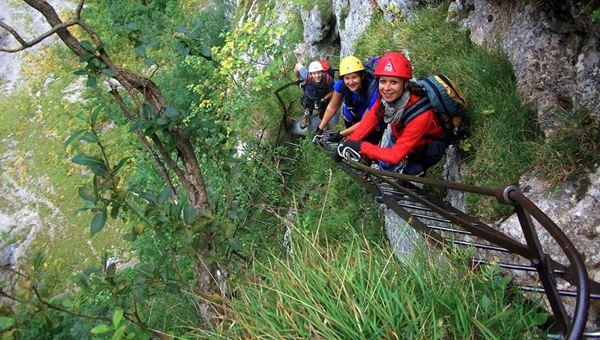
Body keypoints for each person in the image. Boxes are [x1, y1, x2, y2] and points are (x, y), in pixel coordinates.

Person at [336, 51, 447, 176]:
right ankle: (386, 177)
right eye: (383, 81)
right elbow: (372, 118)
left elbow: (395, 155)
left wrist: (360, 146)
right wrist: (350, 142)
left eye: (394, 82)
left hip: (425, 147)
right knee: (385, 164)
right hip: (399, 134)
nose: (386, 88)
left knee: (410, 176)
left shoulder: (421, 115)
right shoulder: (383, 97)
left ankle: (408, 184)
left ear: (405, 84)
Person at [313, 56, 383, 144]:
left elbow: (365, 122)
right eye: (347, 78)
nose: (350, 82)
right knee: (352, 141)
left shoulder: (374, 91)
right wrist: (320, 128)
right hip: (351, 117)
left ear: (362, 76)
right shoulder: (341, 83)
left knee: (366, 144)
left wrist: (341, 134)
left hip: (370, 122)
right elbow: (332, 106)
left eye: (354, 77)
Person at [294, 61, 334, 129]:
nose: (317, 76)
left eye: (319, 72)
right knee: (307, 108)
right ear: (310, 74)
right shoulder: (306, 75)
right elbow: (297, 65)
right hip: (309, 97)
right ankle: (306, 117)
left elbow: (333, 90)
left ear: (322, 72)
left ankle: (323, 122)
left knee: (323, 111)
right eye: (314, 73)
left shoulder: (328, 79)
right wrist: (296, 79)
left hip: (322, 98)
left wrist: (324, 99)